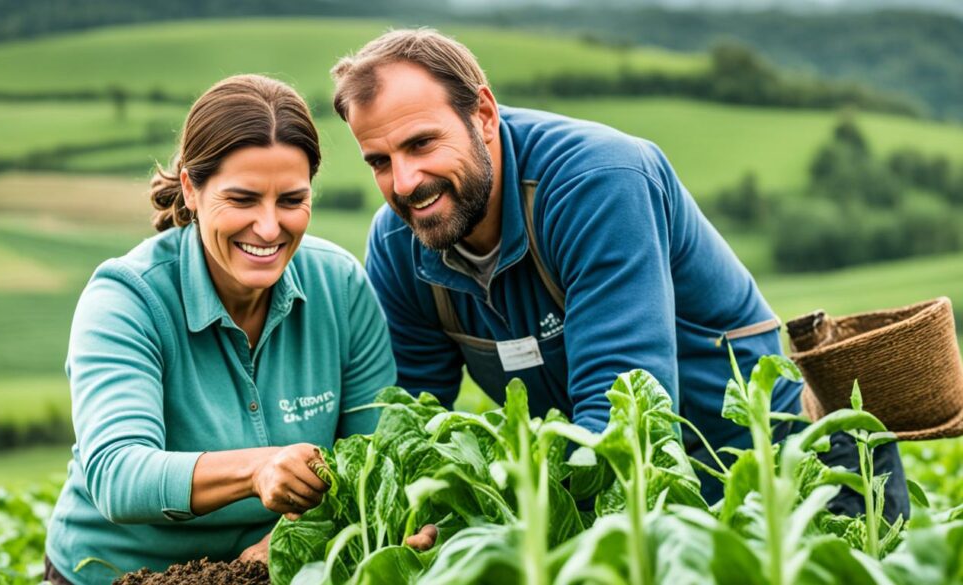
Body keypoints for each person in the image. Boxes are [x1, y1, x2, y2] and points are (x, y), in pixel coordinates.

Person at [330, 28, 908, 513]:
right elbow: (413, 420)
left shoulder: (597, 183)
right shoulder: (401, 242)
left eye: (422, 143)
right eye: (379, 161)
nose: (404, 183)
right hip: (639, 501)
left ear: (483, 115)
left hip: (787, 484)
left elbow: (624, 405)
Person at [43, 74, 397, 584]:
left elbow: (374, 461)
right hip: (116, 572)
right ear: (191, 186)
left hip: (274, 569)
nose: (270, 227)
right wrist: (258, 470)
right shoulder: (127, 297)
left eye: (292, 200)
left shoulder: (340, 287)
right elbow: (118, 473)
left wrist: (287, 544)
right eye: (244, 199)